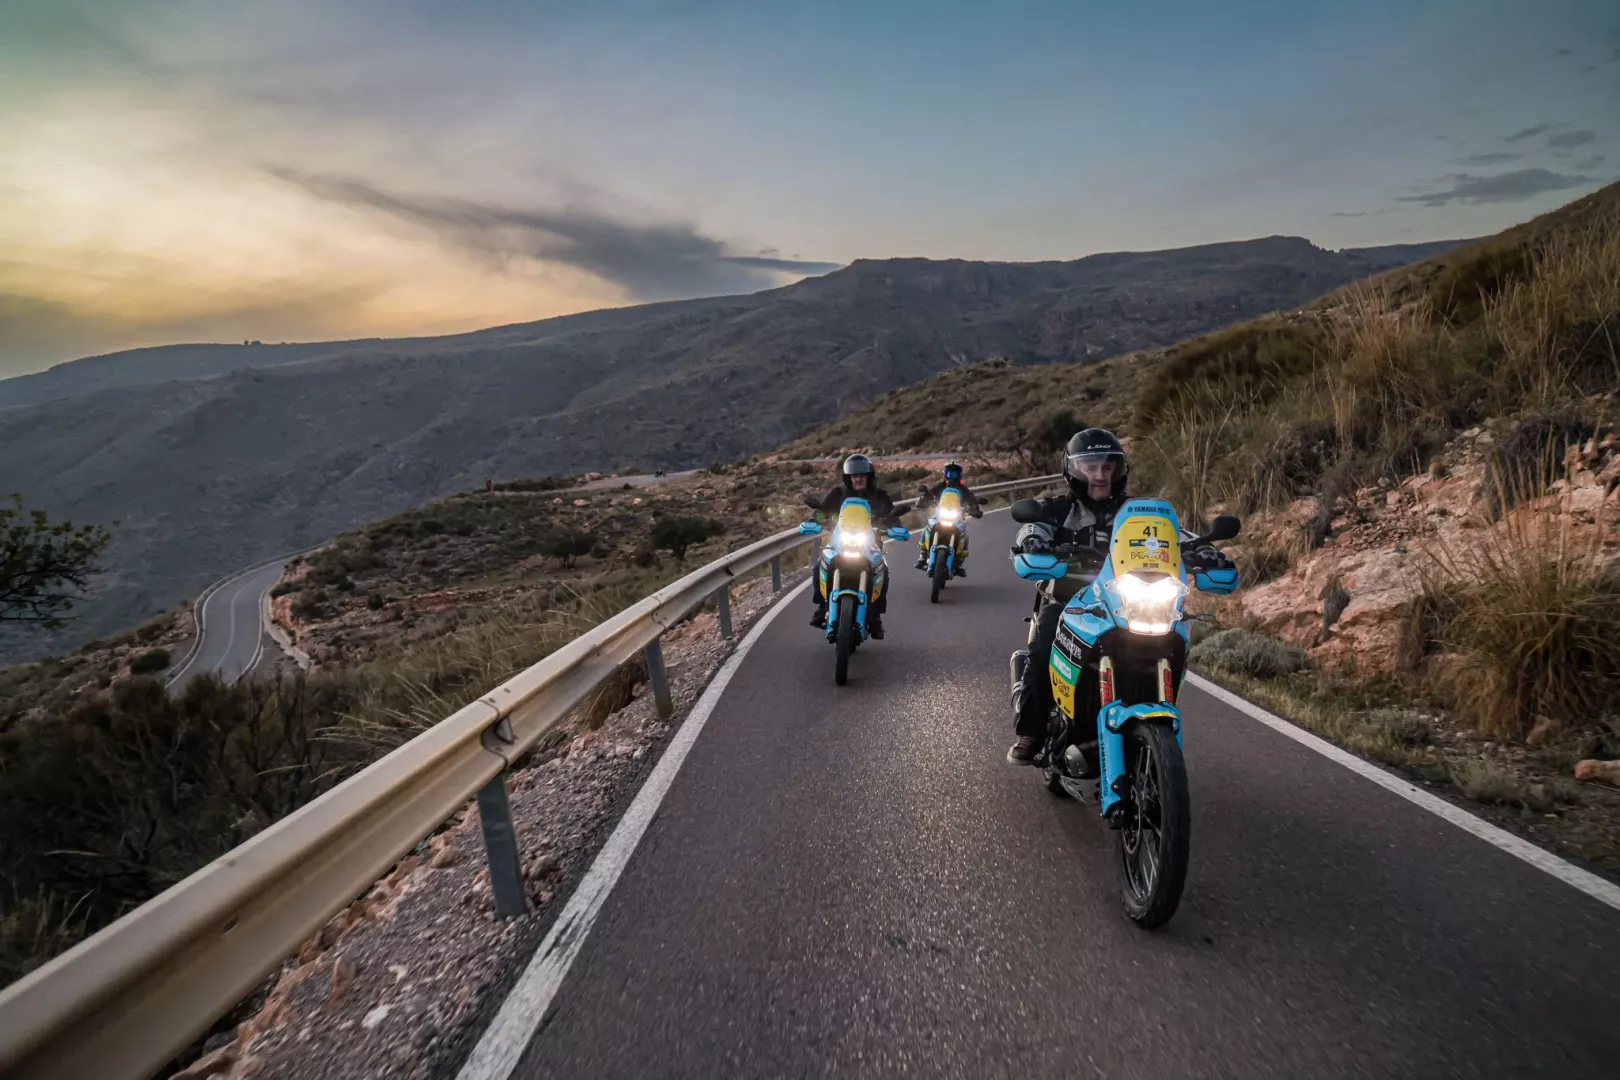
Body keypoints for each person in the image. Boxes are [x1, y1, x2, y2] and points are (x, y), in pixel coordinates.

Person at [1006, 428, 1233, 765]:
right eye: (1090, 467)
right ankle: (1031, 731)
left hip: (1127, 603)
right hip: (1071, 604)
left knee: (1172, 632)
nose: (1100, 475)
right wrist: (1033, 542)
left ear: (1119, 469)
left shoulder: (1137, 511)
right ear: (1073, 470)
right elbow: (1032, 526)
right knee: (1047, 636)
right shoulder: (1058, 509)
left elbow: (1173, 536)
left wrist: (1204, 550)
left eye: (1107, 467)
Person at [807, 454, 901, 639]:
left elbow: (891, 515)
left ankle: (875, 616)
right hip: (840, 542)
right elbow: (823, 511)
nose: (858, 479)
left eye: (862, 475)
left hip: (869, 545)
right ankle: (821, 607)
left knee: (883, 573)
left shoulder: (880, 496)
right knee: (819, 568)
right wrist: (815, 519)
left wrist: (896, 526)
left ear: (869, 477)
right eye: (854, 476)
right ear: (848, 478)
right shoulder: (838, 494)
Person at [914, 461, 983, 575]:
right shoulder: (940, 486)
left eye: (955, 474)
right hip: (940, 514)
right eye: (950, 473)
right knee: (926, 529)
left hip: (957, 517)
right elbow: (929, 494)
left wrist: (975, 508)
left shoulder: (963, 489)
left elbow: (971, 499)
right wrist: (923, 500)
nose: (952, 477)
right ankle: (923, 555)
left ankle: (959, 563)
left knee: (965, 537)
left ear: (959, 475)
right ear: (945, 474)